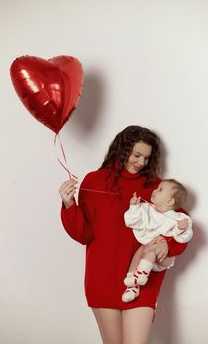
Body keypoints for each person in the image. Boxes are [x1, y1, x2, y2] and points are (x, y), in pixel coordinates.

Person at [59, 126, 188, 344]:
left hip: (141, 278)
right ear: (121, 149)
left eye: (147, 158)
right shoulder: (94, 181)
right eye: (136, 155)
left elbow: (181, 223)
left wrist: (168, 245)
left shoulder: (158, 188)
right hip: (103, 276)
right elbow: (84, 234)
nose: (141, 162)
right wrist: (69, 204)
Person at [122, 179, 193, 303]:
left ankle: (141, 274)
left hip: (164, 257)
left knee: (151, 248)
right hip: (147, 254)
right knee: (140, 251)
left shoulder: (178, 218)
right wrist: (133, 207)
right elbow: (132, 221)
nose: (154, 190)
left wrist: (182, 228)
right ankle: (132, 286)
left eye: (160, 189)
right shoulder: (148, 209)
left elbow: (184, 237)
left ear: (170, 201)